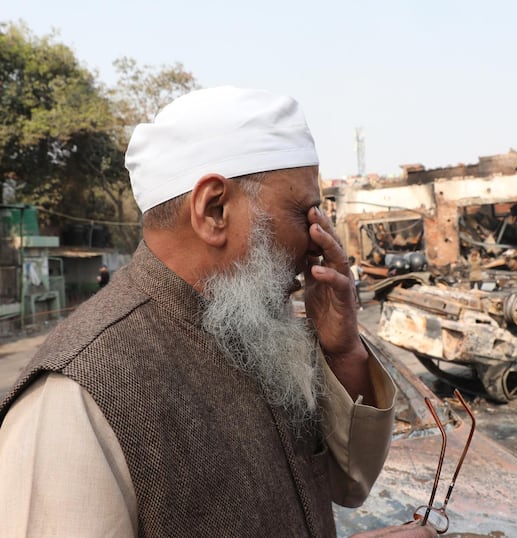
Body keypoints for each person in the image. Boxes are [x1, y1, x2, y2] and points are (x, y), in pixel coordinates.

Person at [0, 87, 435, 538]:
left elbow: (351, 485)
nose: (318, 239)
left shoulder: (257, 330)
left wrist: (343, 353)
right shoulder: (77, 396)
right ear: (214, 210)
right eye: (303, 212)